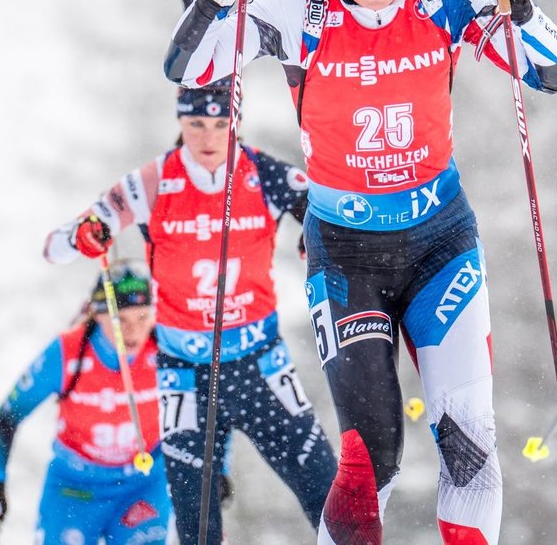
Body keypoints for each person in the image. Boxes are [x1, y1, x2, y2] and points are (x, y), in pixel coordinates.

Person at [163, 0, 557, 544]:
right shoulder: (298, 9)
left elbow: (554, 73)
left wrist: (521, 7)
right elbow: (188, 70)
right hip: (347, 253)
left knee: (468, 446)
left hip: (440, 244)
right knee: (368, 461)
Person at [43, 78, 337, 545]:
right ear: (180, 122)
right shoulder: (152, 182)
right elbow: (54, 247)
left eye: (220, 124)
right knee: (198, 530)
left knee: (331, 500)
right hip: (185, 376)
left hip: (259, 365)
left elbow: (338, 212)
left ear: (235, 123)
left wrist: (318, 236)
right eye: (195, 123)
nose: (207, 137)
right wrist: (85, 233)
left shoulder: (264, 174)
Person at [0, 263, 171, 544]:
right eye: (121, 321)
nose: (133, 332)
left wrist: (218, 472)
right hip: (74, 488)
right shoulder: (68, 352)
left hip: (141, 485)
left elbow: (211, 407)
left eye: (143, 318)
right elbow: (8, 416)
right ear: (99, 315)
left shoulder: (165, 347)